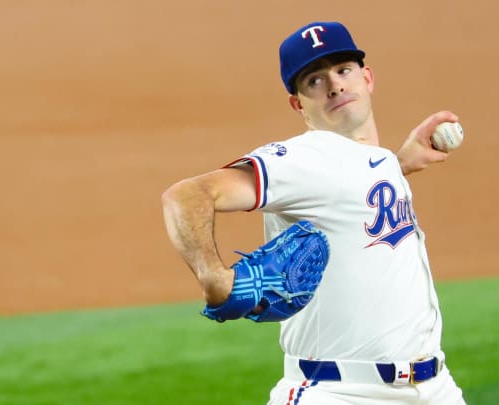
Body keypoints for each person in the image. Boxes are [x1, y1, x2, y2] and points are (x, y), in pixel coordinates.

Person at [162, 21, 467, 404]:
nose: (335, 85)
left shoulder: (375, 162)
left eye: (343, 70)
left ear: (367, 78)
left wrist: (398, 163)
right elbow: (187, 195)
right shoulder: (305, 157)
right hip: (339, 392)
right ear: (298, 104)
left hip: (435, 388)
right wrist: (214, 277)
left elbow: (347, 190)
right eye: (315, 81)